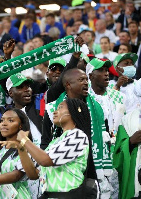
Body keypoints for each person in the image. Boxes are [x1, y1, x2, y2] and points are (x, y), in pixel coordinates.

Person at [42, 68, 118, 198]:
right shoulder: (52, 109)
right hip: (62, 174)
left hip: (94, 170)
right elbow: (46, 141)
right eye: (81, 80)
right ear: (68, 85)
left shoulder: (100, 106)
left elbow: (105, 137)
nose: (86, 83)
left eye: (87, 79)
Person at [0, 98, 94, 198]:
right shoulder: (56, 141)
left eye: (60, 108)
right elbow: (33, 174)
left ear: (73, 111)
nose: (55, 112)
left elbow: (45, 160)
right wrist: (21, 149)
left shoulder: (78, 136)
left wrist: (25, 140)